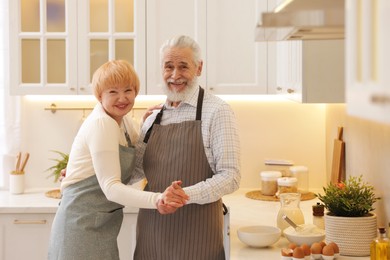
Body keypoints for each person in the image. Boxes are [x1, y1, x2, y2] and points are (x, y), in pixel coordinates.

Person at [48, 60, 188, 260]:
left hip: (102, 224)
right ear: (99, 96)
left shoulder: (124, 123)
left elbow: (136, 163)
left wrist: (147, 125)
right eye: (112, 92)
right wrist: (158, 199)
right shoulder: (101, 124)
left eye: (128, 90)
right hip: (79, 226)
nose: (122, 98)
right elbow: (111, 187)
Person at [133, 35, 241, 260]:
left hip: (198, 236)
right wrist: (85, 172)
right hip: (151, 235)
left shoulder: (217, 112)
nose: (175, 75)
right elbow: (135, 171)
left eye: (183, 66)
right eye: (168, 66)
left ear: (199, 67)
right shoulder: (153, 118)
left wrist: (183, 195)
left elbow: (230, 176)